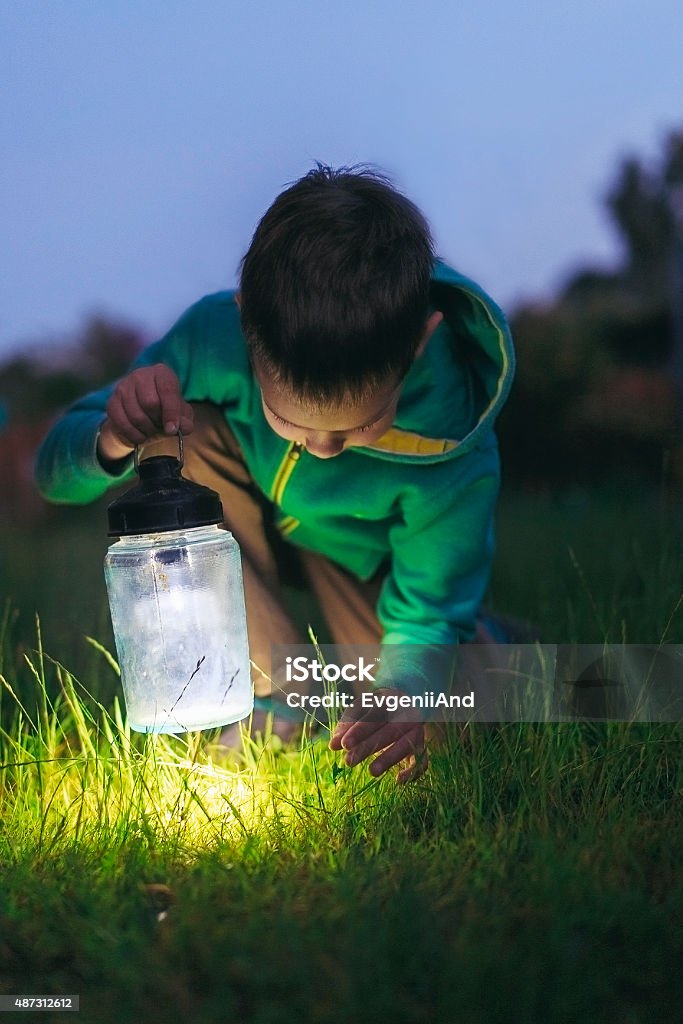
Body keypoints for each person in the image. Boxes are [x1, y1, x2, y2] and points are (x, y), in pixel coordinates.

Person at [35, 164, 515, 784]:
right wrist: (112, 438)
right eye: (289, 419)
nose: (322, 450)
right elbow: (52, 475)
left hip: (371, 568)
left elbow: (426, 611)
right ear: (246, 326)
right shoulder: (210, 341)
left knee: (432, 735)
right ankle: (275, 696)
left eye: (357, 428)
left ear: (420, 341)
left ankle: (493, 642)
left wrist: (405, 691)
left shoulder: (452, 438)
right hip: (245, 524)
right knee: (180, 424)